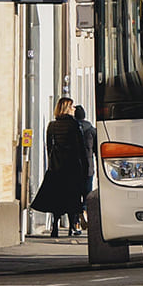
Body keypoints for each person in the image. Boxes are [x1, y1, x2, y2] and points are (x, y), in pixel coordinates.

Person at [30, 97, 90, 238]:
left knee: (57, 199)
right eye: (72, 106)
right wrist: (84, 167)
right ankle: (71, 227)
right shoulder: (74, 125)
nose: (74, 109)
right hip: (72, 168)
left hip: (56, 168)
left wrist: (52, 164)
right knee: (72, 198)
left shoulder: (52, 125)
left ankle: (55, 227)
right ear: (67, 108)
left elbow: (49, 147)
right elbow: (80, 147)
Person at [74, 104, 97, 232]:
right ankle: (85, 211)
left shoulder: (72, 129)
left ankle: (76, 222)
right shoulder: (92, 130)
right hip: (88, 167)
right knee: (87, 193)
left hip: (74, 167)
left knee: (75, 194)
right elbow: (96, 151)